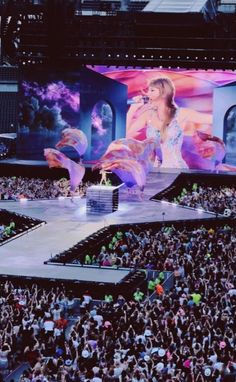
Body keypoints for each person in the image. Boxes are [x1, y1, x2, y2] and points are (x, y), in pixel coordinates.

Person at [127, 76, 213, 169]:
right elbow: (126, 132)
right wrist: (133, 109)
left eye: (152, 90)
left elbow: (214, 119)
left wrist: (208, 141)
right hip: (154, 172)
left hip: (176, 171)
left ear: (164, 93)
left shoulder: (181, 114)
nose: (148, 94)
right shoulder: (148, 115)